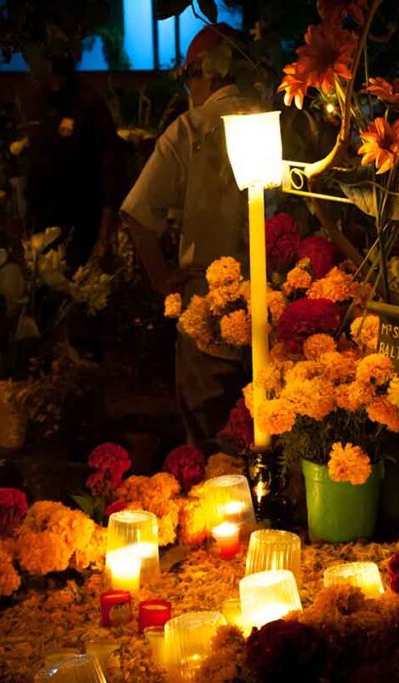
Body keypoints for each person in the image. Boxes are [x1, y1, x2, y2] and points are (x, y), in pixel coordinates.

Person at [121, 24, 261, 450]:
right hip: (278, 310)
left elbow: (138, 216)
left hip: (207, 313)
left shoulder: (189, 129)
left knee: (208, 451)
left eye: (189, 76)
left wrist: (164, 278)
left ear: (208, 73)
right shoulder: (281, 122)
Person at [25, 55, 126, 268]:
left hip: (79, 223)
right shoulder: (41, 104)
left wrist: (105, 229)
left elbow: (110, 166)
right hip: (44, 223)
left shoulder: (86, 104)